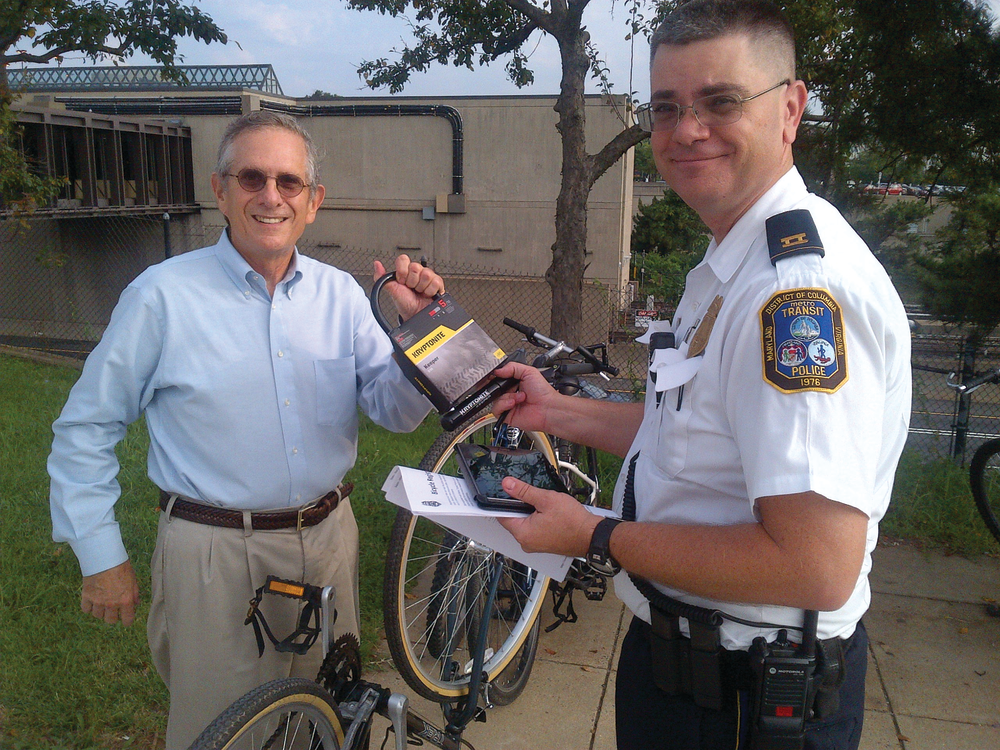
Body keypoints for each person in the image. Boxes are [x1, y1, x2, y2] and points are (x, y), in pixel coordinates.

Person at [490, 2, 911, 748]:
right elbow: (690, 432)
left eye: (721, 102)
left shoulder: (794, 294)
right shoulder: (729, 265)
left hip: (746, 703)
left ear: (790, 109)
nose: (687, 131)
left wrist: (594, 535)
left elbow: (815, 567)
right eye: (666, 108)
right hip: (691, 673)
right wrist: (558, 412)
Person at [48, 110, 443, 748]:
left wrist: (420, 335)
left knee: (328, 718)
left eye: (289, 182)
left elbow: (394, 412)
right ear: (221, 190)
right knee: (220, 732)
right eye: (252, 177)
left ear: (313, 202)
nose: (270, 196)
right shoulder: (162, 297)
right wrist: (101, 556)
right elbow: (85, 429)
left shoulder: (341, 296)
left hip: (329, 542)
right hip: (214, 557)